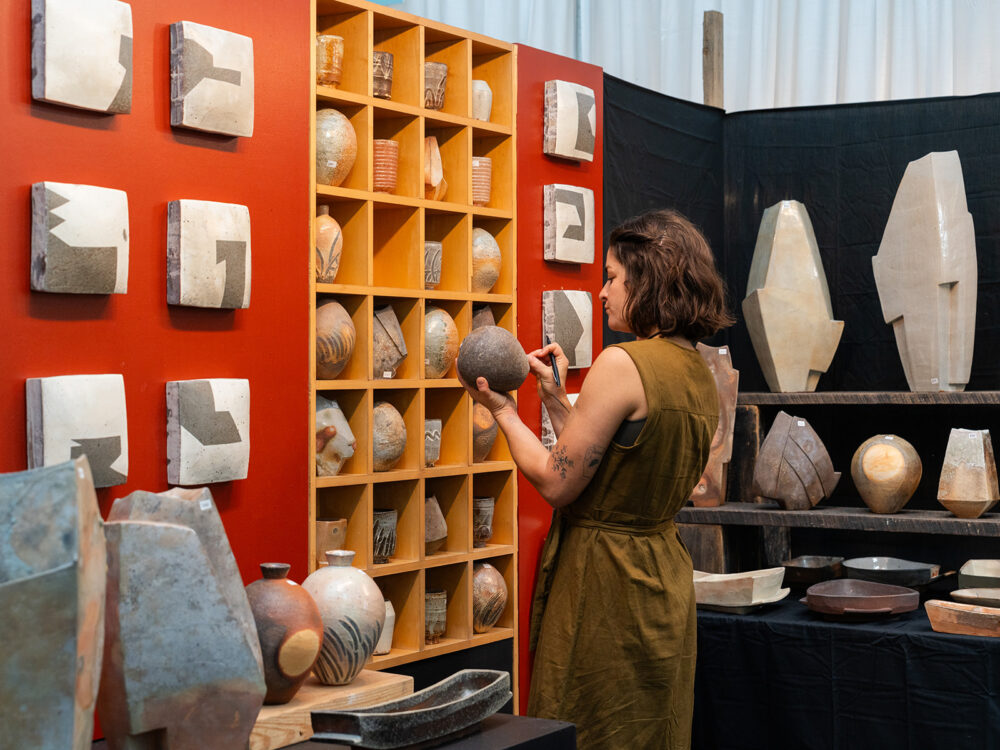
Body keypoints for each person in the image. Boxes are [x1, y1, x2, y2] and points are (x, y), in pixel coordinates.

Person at [461, 208, 734, 749]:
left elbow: (560, 483)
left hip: (606, 583)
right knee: (652, 728)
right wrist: (557, 400)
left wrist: (503, 410)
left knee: (592, 726)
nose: (603, 291)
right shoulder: (699, 373)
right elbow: (616, 465)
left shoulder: (622, 363)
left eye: (611, 277)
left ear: (648, 280)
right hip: (660, 576)